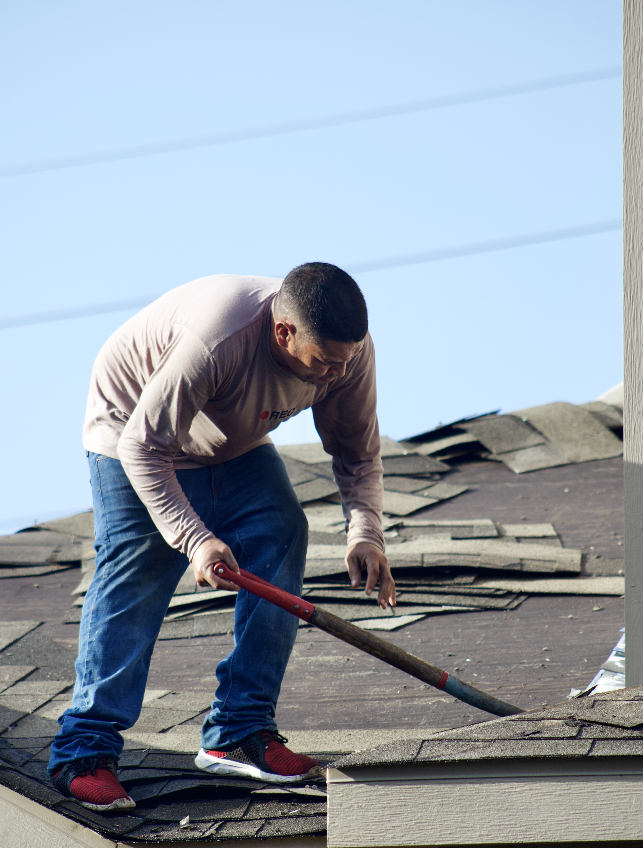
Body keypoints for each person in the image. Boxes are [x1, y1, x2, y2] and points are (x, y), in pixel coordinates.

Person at [47, 263, 395, 812]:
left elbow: (357, 451)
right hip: (132, 432)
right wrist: (194, 538)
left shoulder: (345, 353)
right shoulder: (218, 339)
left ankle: (239, 730)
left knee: (281, 530)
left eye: (344, 361)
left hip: (227, 440)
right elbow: (144, 447)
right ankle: (84, 751)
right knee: (139, 569)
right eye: (324, 363)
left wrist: (366, 533)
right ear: (284, 332)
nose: (334, 374)